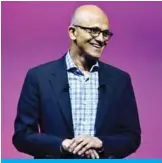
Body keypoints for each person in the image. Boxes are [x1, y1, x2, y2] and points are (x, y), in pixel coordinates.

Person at [12, 5, 141, 159]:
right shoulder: (38, 77)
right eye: (94, 31)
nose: (101, 39)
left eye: (105, 33)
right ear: (73, 32)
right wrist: (62, 145)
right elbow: (22, 136)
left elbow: (132, 137)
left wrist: (101, 143)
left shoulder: (120, 80)